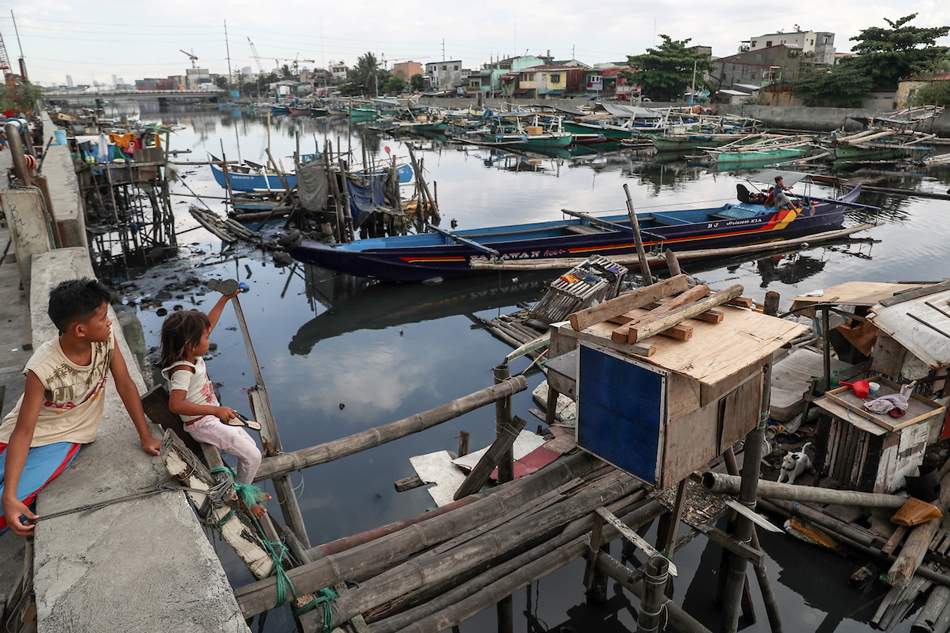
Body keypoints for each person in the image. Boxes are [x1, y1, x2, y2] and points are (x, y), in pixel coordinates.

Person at [1, 278, 161, 537]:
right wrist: (8, 496)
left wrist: (145, 436)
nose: (109, 323)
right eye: (103, 318)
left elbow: (126, 385)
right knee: (7, 499)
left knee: (13, 506)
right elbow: (23, 431)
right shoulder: (42, 368)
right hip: (19, 434)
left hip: (65, 437)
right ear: (79, 330)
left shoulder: (106, 341)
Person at [157, 290, 269, 519]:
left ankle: (243, 489)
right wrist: (216, 409)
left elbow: (208, 324)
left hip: (211, 419)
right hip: (202, 424)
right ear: (190, 345)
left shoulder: (191, 357)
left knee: (248, 443)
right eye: (205, 338)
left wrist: (225, 298)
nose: (209, 339)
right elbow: (176, 405)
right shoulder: (183, 370)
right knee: (252, 455)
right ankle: (243, 499)